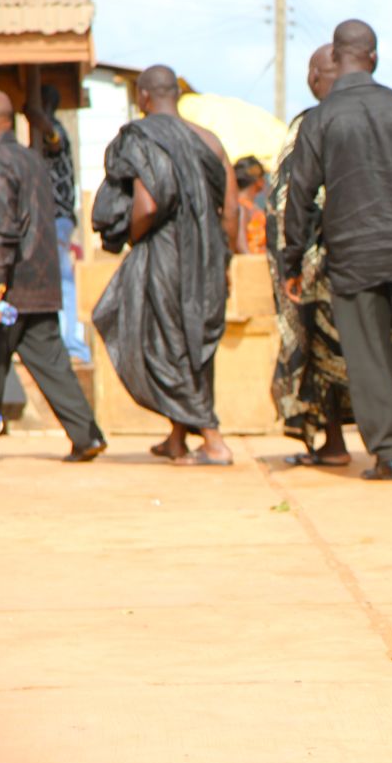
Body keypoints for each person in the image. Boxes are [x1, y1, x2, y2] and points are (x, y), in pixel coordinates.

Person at [286, 21, 392, 481]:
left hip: (353, 253)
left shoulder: (320, 119)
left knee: (369, 357)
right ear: (373, 56)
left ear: (336, 59)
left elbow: (299, 195)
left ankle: (390, 455)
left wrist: (291, 260)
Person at [92, 65, 238, 465]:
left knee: (164, 341)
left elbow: (148, 203)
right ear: (176, 95)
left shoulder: (141, 137)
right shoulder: (209, 140)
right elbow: (233, 208)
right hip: (207, 254)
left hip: (166, 252)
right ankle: (176, 438)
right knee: (193, 343)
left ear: (143, 97)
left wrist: (136, 237)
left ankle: (213, 441)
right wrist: (223, 258)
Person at [0, 89, 105, 464]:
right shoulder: (31, 160)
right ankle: (86, 436)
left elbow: (1, 227)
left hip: (9, 284)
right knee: (51, 361)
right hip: (41, 282)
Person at [267, 44, 353, 467]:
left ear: (318, 76)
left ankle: (334, 443)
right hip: (375, 256)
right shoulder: (381, 113)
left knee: (317, 351)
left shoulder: (310, 125)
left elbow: (287, 201)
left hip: (319, 264)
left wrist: (290, 261)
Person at [21, 69, 91, 362]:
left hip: (58, 216)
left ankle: (71, 342)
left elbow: (52, 138)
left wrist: (36, 112)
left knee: (62, 276)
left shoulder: (56, 131)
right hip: (48, 218)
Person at [233, 155, 268, 255]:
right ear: (257, 180)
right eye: (262, 177)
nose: (265, 181)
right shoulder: (242, 208)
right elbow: (241, 245)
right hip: (251, 266)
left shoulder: (247, 206)